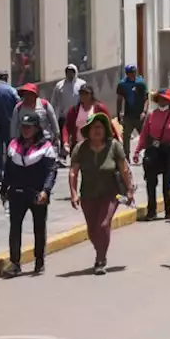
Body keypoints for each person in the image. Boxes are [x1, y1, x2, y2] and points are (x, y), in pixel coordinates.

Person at [69, 112, 133, 274]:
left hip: (110, 194)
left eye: (100, 127)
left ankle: (100, 259)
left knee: (103, 225)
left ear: (105, 130)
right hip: (88, 194)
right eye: (93, 128)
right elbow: (73, 172)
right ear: (88, 131)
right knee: (92, 230)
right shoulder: (80, 148)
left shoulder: (114, 146)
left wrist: (130, 189)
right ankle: (100, 251)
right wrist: (74, 193)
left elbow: (124, 169)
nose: (97, 131)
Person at [0, 113, 58, 277]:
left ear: (37, 128)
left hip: (38, 194)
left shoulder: (46, 148)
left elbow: (51, 172)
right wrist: (3, 189)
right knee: (14, 229)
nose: (25, 130)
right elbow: (8, 171)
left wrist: (46, 191)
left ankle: (39, 262)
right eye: (23, 127)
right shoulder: (13, 145)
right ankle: (15, 263)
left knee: (39, 228)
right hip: (16, 193)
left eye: (29, 127)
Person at [133, 90, 170, 220]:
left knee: (168, 182)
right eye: (159, 99)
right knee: (150, 181)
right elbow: (144, 134)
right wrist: (137, 151)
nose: (162, 102)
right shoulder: (151, 115)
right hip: (154, 150)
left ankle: (169, 210)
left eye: (164, 99)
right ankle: (151, 211)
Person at [116, 65, 149, 152]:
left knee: (145, 136)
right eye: (131, 73)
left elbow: (146, 99)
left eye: (134, 72)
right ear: (127, 74)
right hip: (128, 115)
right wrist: (119, 113)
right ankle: (126, 157)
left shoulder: (141, 83)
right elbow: (119, 100)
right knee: (126, 136)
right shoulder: (122, 84)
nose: (133, 74)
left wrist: (144, 112)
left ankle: (147, 154)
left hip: (139, 115)